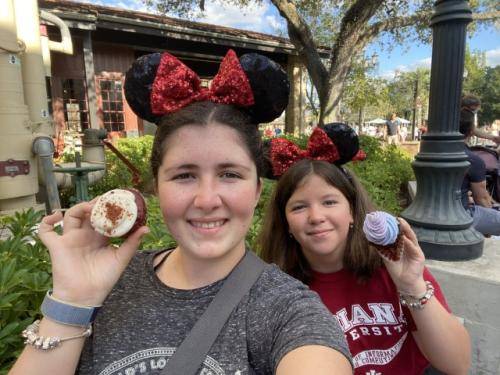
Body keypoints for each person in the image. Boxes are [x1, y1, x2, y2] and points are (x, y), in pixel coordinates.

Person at [10, 51, 352, 374]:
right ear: (156, 187)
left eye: (230, 174)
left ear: (257, 190)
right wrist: (74, 299)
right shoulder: (108, 280)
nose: (206, 200)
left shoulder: (286, 309)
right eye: (184, 175)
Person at [259, 124, 471, 375]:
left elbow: (457, 364)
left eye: (329, 202)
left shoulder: (393, 265)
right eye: (298, 207)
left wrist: (412, 286)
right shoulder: (277, 291)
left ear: (351, 211)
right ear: (286, 224)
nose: (316, 216)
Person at [459, 109, 500, 236]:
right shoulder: (474, 160)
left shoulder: (431, 151)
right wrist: (487, 226)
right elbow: (481, 199)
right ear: (471, 132)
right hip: (462, 216)